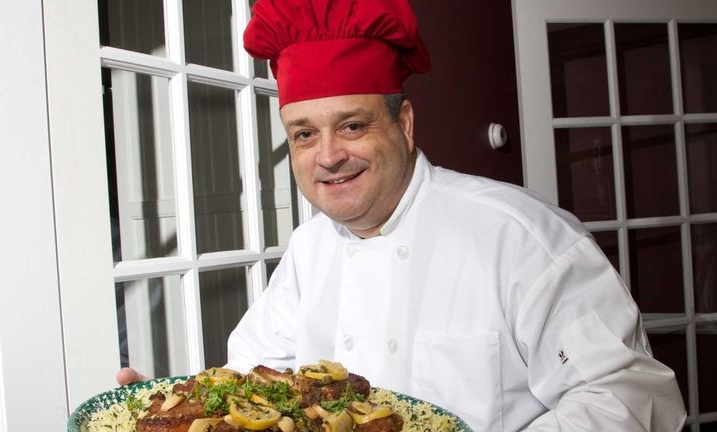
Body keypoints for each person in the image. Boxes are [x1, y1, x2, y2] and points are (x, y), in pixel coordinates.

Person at [120, 0, 687, 430]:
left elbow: (631, 393)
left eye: (352, 125)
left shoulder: (518, 235)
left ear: (405, 124)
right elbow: (255, 383)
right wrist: (183, 414)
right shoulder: (309, 251)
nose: (328, 156)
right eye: (304, 134)